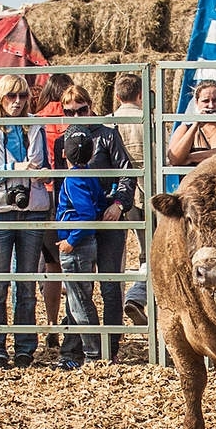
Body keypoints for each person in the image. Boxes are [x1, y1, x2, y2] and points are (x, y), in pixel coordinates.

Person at [0, 74, 50, 369]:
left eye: (22, 97)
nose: (17, 103)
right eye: (11, 97)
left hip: (32, 209)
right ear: (0, 99)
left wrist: (44, 174)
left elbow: (49, 166)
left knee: (27, 283)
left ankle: (25, 347)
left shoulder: (36, 126)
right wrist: (11, 168)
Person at [59, 84, 136, 363]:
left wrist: (118, 204)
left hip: (107, 216)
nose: (77, 115)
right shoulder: (63, 140)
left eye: (82, 109)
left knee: (109, 283)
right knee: (78, 285)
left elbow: (128, 174)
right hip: (81, 218)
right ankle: (73, 349)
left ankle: (110, 348)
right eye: (70, 111)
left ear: (91, 106)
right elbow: (61, 183)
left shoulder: (107, 135)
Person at [55, 125, 108, 369]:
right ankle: (72, 352)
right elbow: (97, 205)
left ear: (64, 154)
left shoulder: (73, 178)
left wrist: (71, 240)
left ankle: (92, 354)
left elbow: (86, 213)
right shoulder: (90, 174)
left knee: (80, 300)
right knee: (77, 297)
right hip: (89, 243)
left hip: (76, 246)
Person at [35, 73, 74, 347]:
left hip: (43, 195)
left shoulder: (37, 119)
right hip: (69, 195)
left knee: (51, 265)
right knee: (73, 262)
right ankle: (73, 321)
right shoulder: (70, 117)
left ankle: (50, 324)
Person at [110, 74, 148, 326]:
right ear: (140, 95)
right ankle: (136, 296)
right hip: (146, 193)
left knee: (113, 256)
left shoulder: (108, 123)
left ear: (116, 96)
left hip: (115, 198)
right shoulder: (147, 121)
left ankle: (113, 313)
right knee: (148, 251)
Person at [167, 79, 216, 166]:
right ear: (197, 102)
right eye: (205, 101)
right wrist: (195, 125)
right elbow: (174, 159)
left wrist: (190, 157)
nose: (211, 106)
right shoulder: (184, 129)